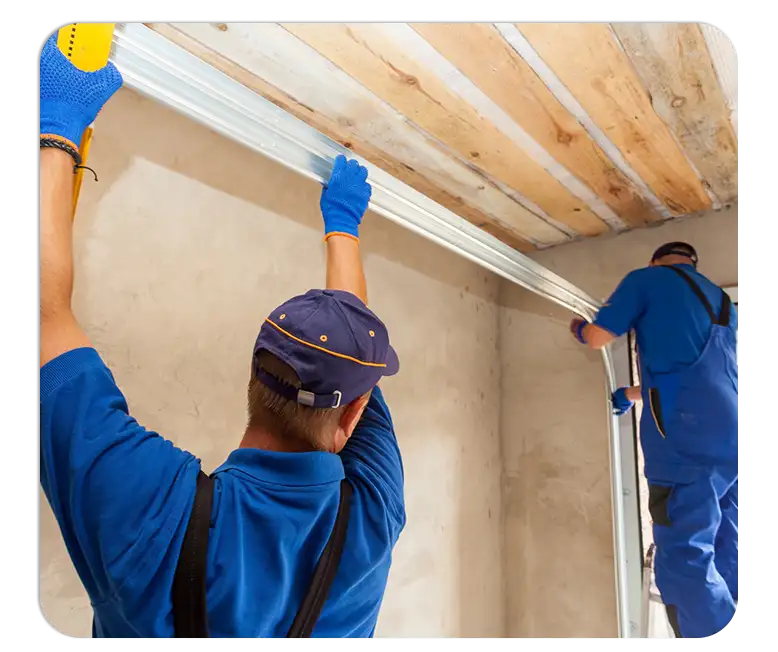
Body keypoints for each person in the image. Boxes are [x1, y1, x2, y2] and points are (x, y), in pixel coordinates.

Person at [40, 34, 405, 638]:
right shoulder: (371, 514)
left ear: (253, 374)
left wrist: (58, 123)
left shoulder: (156, 515)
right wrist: (342, 226)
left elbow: (49, 316)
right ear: (355, 412)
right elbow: (44, 316)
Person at [569, 241, 738, 639]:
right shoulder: (721, 300)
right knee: (721, 536)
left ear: (653, 261)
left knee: (684, 551)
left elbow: (597, 337)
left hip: (683, 445)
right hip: (729, 436)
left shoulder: (646, 280)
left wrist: (578, 327)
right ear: (693, 265)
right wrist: (629, 394)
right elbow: (690, 378)